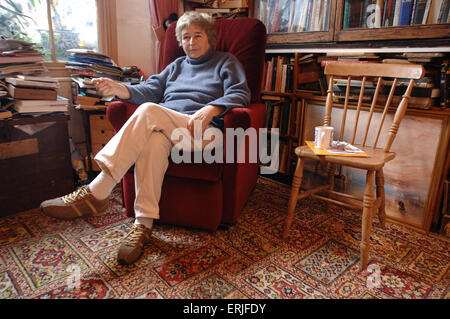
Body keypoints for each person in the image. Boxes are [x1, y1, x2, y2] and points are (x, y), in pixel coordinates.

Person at [40, 11, 251, 265]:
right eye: (185, 37)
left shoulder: (225, 62)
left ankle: (98, 189)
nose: (191, 42)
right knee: (152, 141)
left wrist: (212, 108)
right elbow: (150, 90)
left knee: (150, 111)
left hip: (204, 132)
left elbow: (241, 94)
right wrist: (119, 88)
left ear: (210, 38)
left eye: (198, 35)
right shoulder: (175, 66)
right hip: (169, 127)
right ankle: (143, 224)